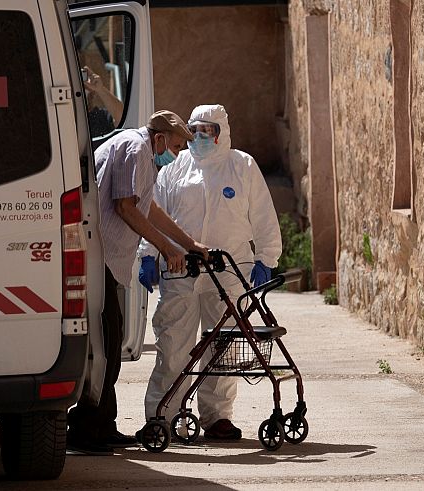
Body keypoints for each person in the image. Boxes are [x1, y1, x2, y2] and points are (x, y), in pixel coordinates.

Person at [67, 110, 208, 455]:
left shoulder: (143, 154)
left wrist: (188, 243)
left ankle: (102, 425)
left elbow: (151, 209)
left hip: (107, 260)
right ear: (159, 138)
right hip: (96, 257)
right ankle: (86, 430)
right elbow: (126, 208)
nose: (174, 154)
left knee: (110, 346)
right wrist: (165, 248)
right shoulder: (135, 149)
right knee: (105, 346)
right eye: (174, 147)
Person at [141, 104, 282, 440]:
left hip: (231, 269)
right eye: (195, 130)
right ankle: (163, 415)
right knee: (173, 343)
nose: (201, 137)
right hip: (181, 267)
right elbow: (153, 210)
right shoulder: (175, 167)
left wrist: (266, 258)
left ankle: (217, 416)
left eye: (208, 131)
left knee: (224, 345)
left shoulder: (241, 166)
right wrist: (148, 253)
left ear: (222, 133)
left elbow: (263, 215)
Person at [82, 66, 124, 137]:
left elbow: (122, 118)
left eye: (85, 87)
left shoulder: (101, 117)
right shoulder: (62, 117)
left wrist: (100, 89)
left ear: (93, 93)